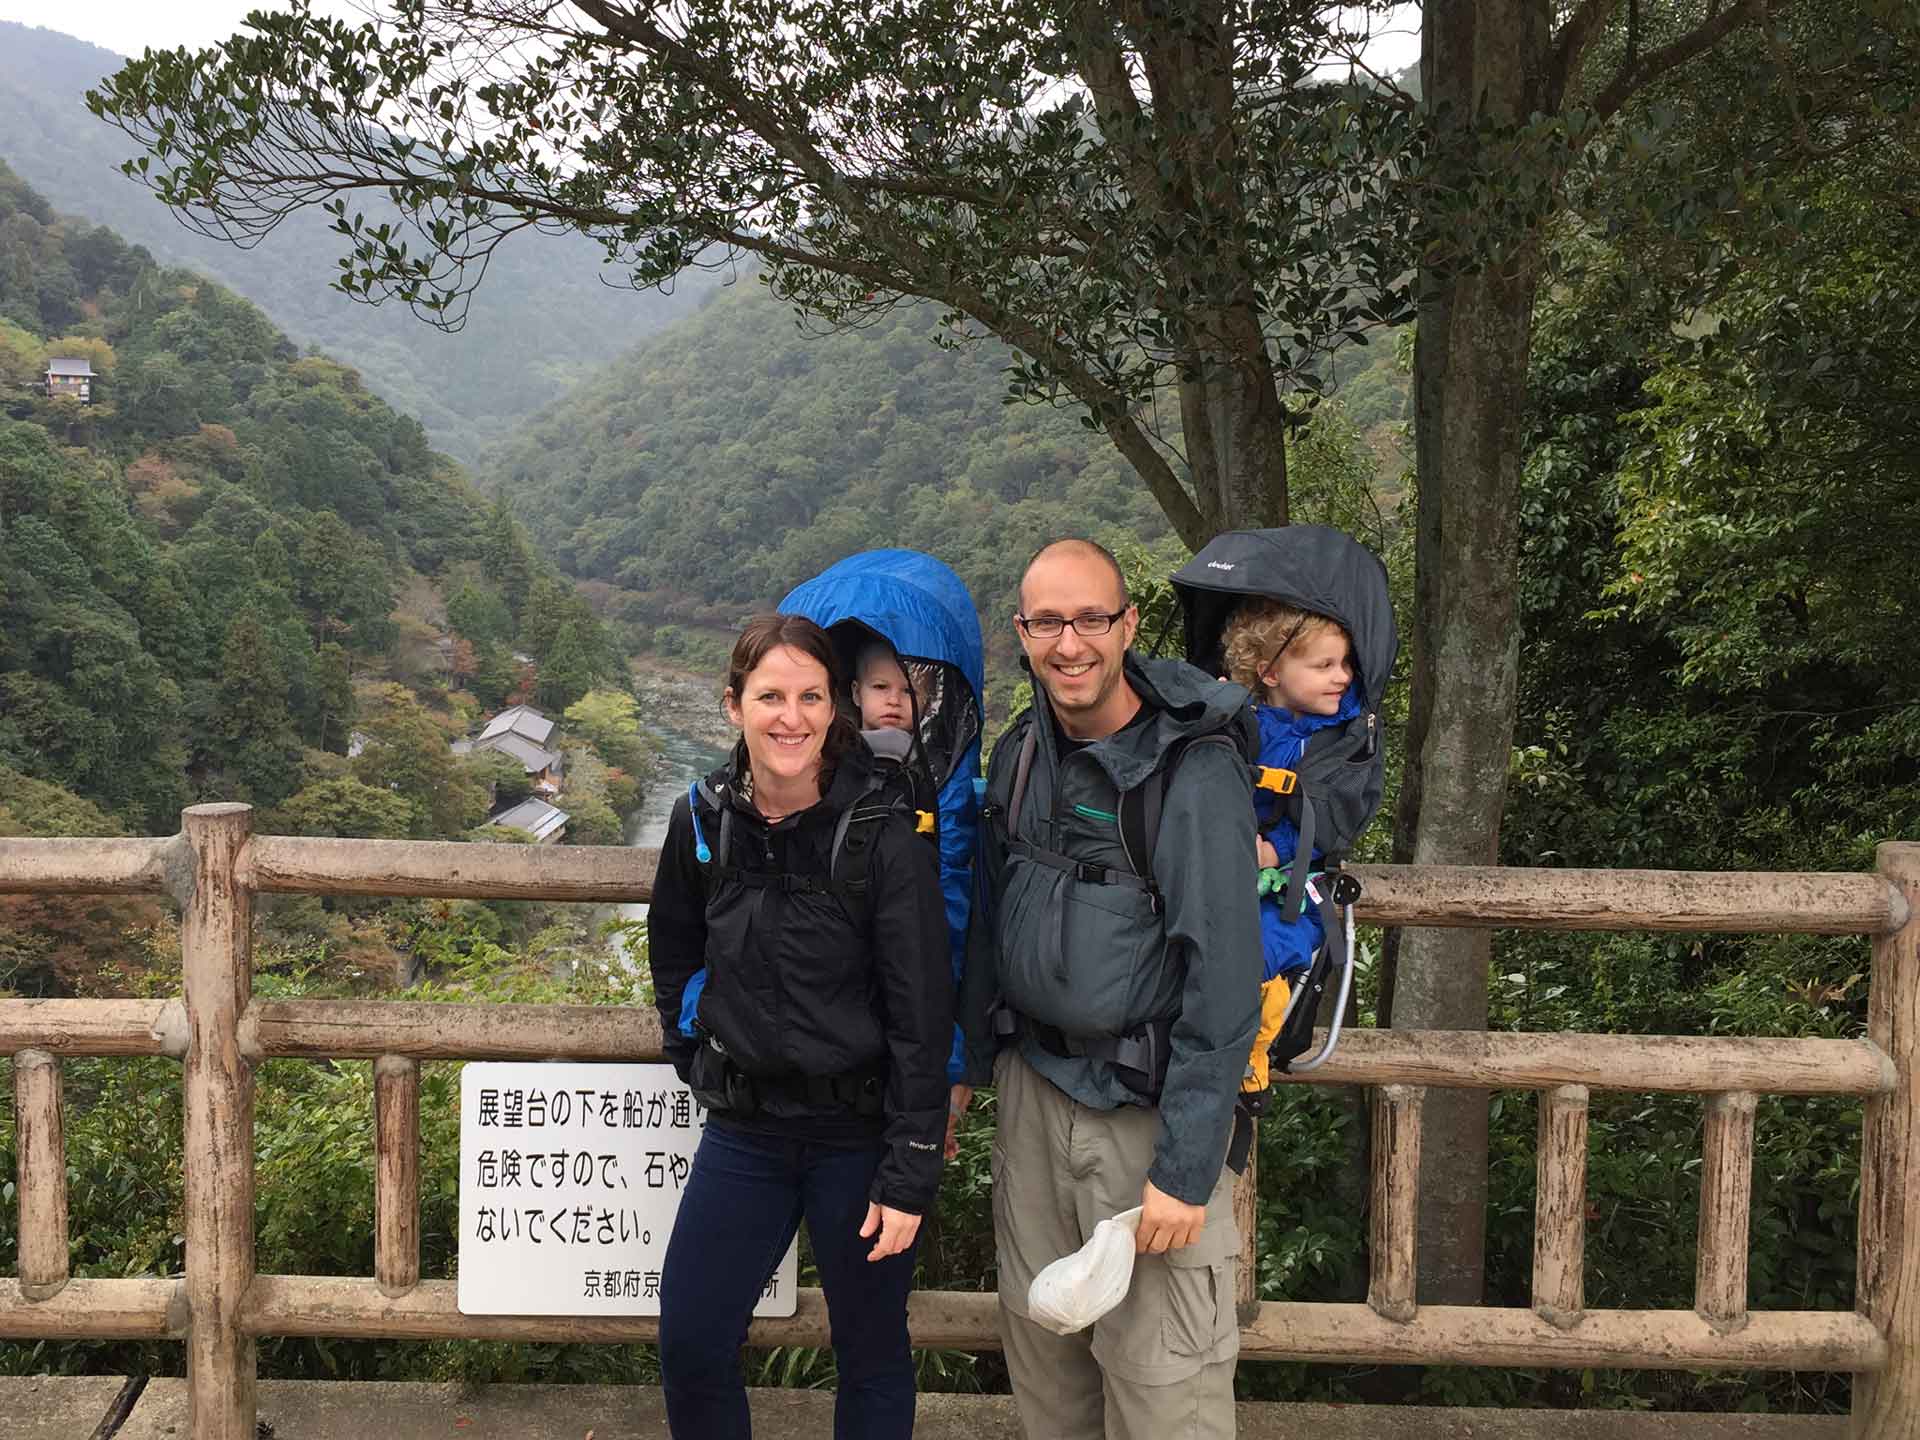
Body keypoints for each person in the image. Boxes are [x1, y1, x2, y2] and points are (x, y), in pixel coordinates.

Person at [958, 539, 1262, 1440]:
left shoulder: (1190, 772)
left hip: (1148, 1117)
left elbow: (1226, 982)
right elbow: (985, 919)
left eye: (1092, 618)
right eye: (1048, 621)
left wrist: (1187, 1168)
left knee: (1163, 1386)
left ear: (1128, 625)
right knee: (1046, 1360)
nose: (1071, 643)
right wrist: (963, 1067)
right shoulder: (1021, 754)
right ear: (1023, 632)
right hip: (1034, 1095)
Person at [649, 613, 951, 1440]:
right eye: (771, 695)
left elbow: (922, 1007)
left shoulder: (882, 826)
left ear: (836, 706)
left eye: (811, 696)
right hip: (745, 1129)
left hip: (857, 1133)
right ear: (733, 704)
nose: (792, 717)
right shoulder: (704, 818)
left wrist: (910, 1167)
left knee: (870, 1349)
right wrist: (694, 1050)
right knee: (692, 1337)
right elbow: (672, 945)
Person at [1219, 597, 1360, 1091]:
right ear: (1271, 673)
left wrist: (1276, 850)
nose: (1341, 677)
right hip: (1230, 870)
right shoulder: (1246, 722)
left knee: (1257, 953)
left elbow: (1332, 814)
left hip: (1295, 891)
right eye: (1323, 665)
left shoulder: (1340, 737)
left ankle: (1247, 1059)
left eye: (1344, 663)